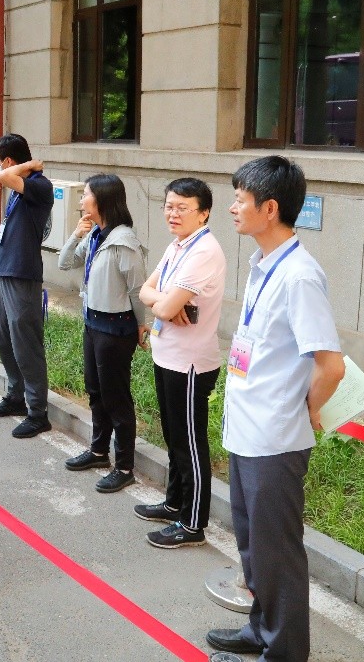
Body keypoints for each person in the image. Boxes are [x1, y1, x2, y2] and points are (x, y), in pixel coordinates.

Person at [206, 156, 345, 662]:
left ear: (269, 208)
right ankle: (261, 628)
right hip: (248, 431)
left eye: (240, 199)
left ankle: (283, 653)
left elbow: (331, 366)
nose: (232, 208)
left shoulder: (299, 277)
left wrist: (306, 409)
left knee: (277, 554)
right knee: (253, 547)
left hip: (275, 439)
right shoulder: (264, 264)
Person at [135, 177, 228, 548]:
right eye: (169, 206)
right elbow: (145, 290)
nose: (172, 214)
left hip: (190, 363)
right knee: (173, 437)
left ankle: (193, 524)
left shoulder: (204, 251)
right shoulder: (177, 245)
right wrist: (166, 302)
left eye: (182, 208)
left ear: (203, 213)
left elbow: (161, 304)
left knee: (190, 443)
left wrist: (164, 304)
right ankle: (174, 503)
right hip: (167, 354)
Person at [57, 175, 149, 493]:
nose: (82, 200)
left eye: (86, 195)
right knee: (95, 390)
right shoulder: (96, 234)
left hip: (116, 328)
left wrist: (142, 325)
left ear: (102, 201)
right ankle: (99, 452)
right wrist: (76, 234)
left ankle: (124, 466)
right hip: (92, 323)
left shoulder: (124, 242)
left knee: (116, 397)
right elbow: (65, 262)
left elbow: (137, 290)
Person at [0, 133, 55, 438]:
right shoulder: (20, 186)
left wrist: (31, 165)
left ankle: (38, 412)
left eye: (0, 161)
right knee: (5, 340)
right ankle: (16, 396)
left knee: (26, 345)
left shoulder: (39, 184)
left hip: (22, 274)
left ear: (10, 161)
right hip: (3, 271)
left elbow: (3, 176)